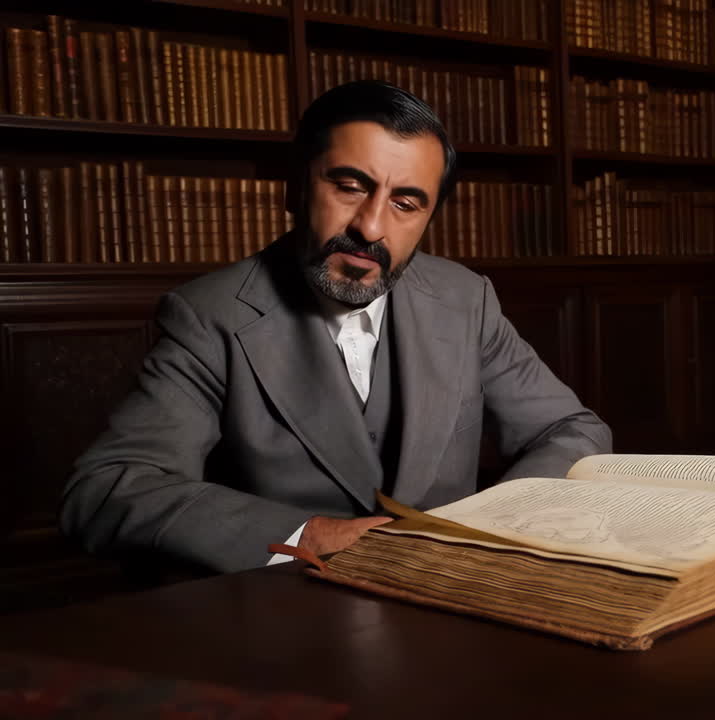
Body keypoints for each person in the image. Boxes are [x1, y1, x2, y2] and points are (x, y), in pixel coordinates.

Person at [61, 81, 612, 573]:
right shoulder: (208, 315)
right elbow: (107, 489)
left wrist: (493, 522)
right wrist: (309, 536)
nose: (371, 226)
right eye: (350, 186)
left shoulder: (467, 300)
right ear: (295, 187)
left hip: (449, 601)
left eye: (405, 203)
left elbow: (571, 430)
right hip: (284, 621)